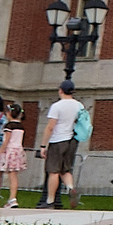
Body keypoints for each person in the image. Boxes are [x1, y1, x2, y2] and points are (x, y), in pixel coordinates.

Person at [38, 81, 84, 209]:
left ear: (60, 90)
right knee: (66, 169)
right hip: (72, 140)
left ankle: (50, 201)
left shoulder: (57, 106)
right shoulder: (79, 105)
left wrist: (43, 145)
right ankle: (71, 189)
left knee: (53, 171)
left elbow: (50, 127)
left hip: (58, 140)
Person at [0, 99, 28, 209]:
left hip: (8, 151)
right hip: (17, 151)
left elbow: (6, 141)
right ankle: (13, 199)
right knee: (13, 175)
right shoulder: (21, 126)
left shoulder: (9, 126)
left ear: (8, 113)